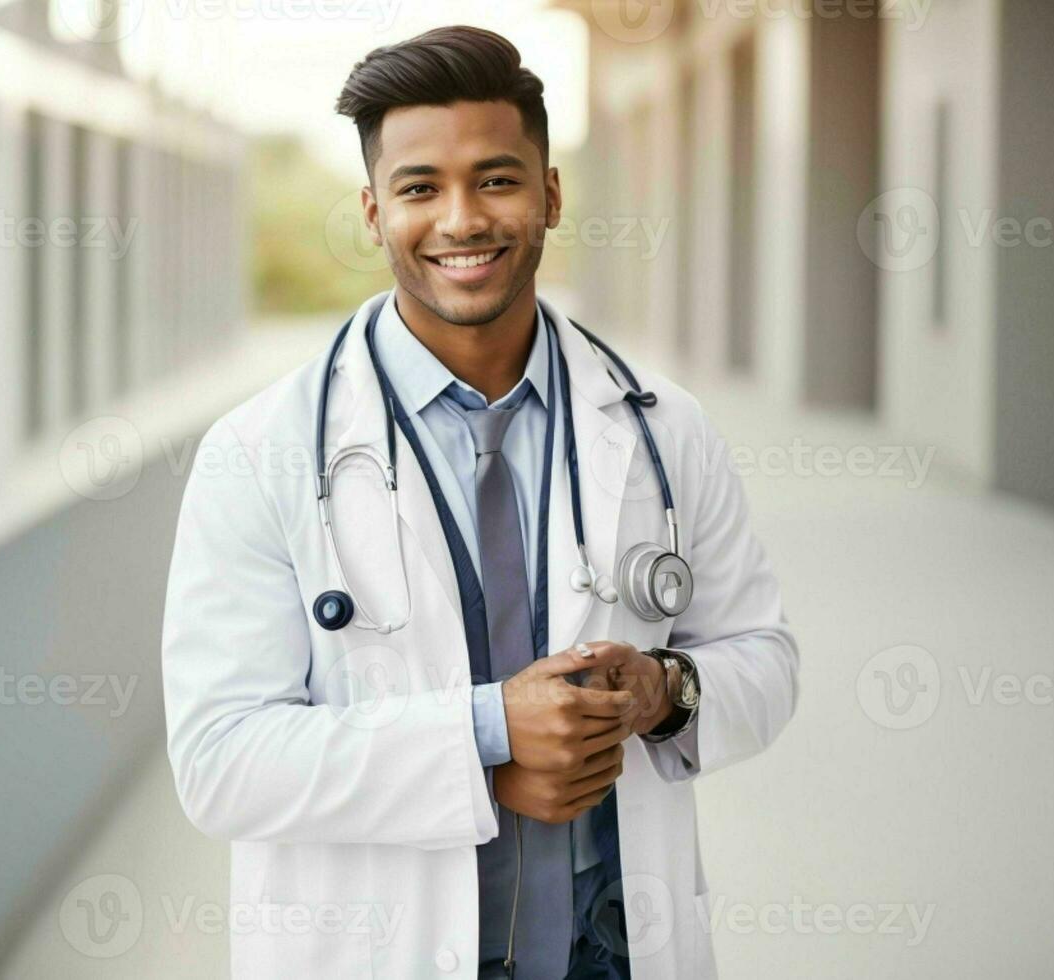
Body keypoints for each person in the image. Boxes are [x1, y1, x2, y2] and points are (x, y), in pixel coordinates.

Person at [161, 25, 799, 980]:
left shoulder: (666, 430)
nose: (461, 219)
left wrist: (664, 694)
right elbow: (221, 760)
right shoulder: (260, 453)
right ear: (375, 213)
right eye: (421, 188)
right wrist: (488, 733)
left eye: (496, 179)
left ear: (549, 194)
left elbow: (765, 660)